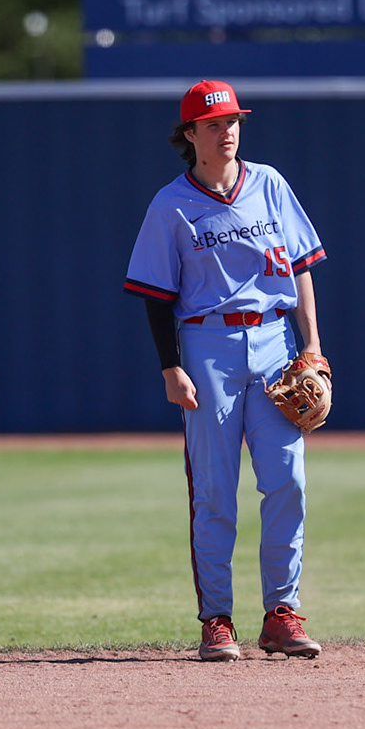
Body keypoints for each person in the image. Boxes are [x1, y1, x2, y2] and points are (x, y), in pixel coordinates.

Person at [123, 80, 328, 661]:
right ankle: (217, 619)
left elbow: (304, 266)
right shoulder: (171, 205)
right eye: (214, 124)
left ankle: (280, 613)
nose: (228, 130)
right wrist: (170, 368)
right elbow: (155, 295)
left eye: (234, 120)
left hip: (273, 341)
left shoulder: (269, 185)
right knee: (214, 490)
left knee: (287, 480)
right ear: (190, 135)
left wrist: (312, 346)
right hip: (207, 345)